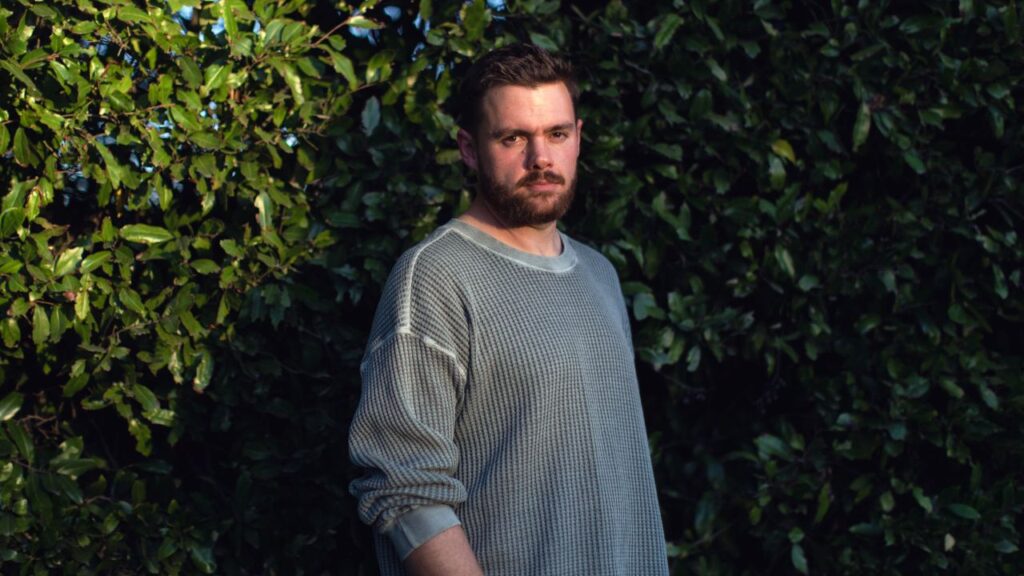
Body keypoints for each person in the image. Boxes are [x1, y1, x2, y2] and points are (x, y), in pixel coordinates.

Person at [348, 43, 668, 576]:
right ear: (470, 149)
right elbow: (403, 487)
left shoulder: (600, 275)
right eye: (513, 137)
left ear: (578, 137)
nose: (541, 158)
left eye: (557, 134)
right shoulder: (435, 275)